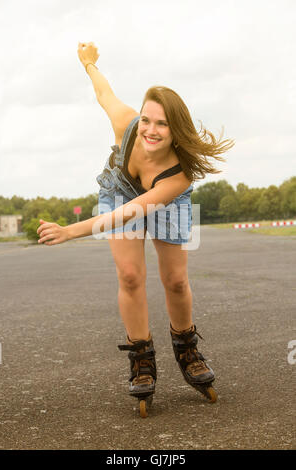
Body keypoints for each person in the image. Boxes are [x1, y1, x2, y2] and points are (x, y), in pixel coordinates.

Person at [37, 42, 234, 417]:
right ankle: (141, 357)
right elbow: (103, 93)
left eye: (162, 123)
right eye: (147, 120)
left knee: (175, 280)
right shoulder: (126, 123)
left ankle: (186, 347)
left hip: (161, 202)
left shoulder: (178, 177)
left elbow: (131, 213)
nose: (151, 130)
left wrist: (70, 231)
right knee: (129, 275)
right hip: (119, 191)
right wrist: (90, 63)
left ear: (177, 130)